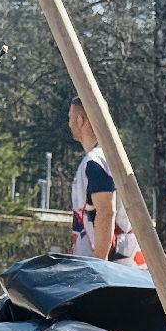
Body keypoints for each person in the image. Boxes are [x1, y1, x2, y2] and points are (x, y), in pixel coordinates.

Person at [68, 96, 145, 266]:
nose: (69, 124)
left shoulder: (95, 162)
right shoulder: (110, 157)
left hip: (112, 267)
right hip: (125, 262)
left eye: (70, 118)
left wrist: (100, 264)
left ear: (81, 120)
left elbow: (106, 212)